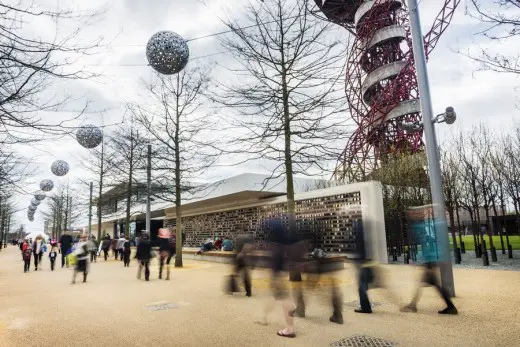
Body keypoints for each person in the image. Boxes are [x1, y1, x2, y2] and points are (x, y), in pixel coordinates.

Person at [401, 206, 458, 315]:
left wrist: (428, 260)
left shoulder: (427, 225)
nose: (411, 215)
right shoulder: (424, 224)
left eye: (413, 213)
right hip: (430, 260)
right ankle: (413, 304)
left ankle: (450, 307)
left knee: (433, 285)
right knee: (428, 284)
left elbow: (431, 242)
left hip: (430, 260)